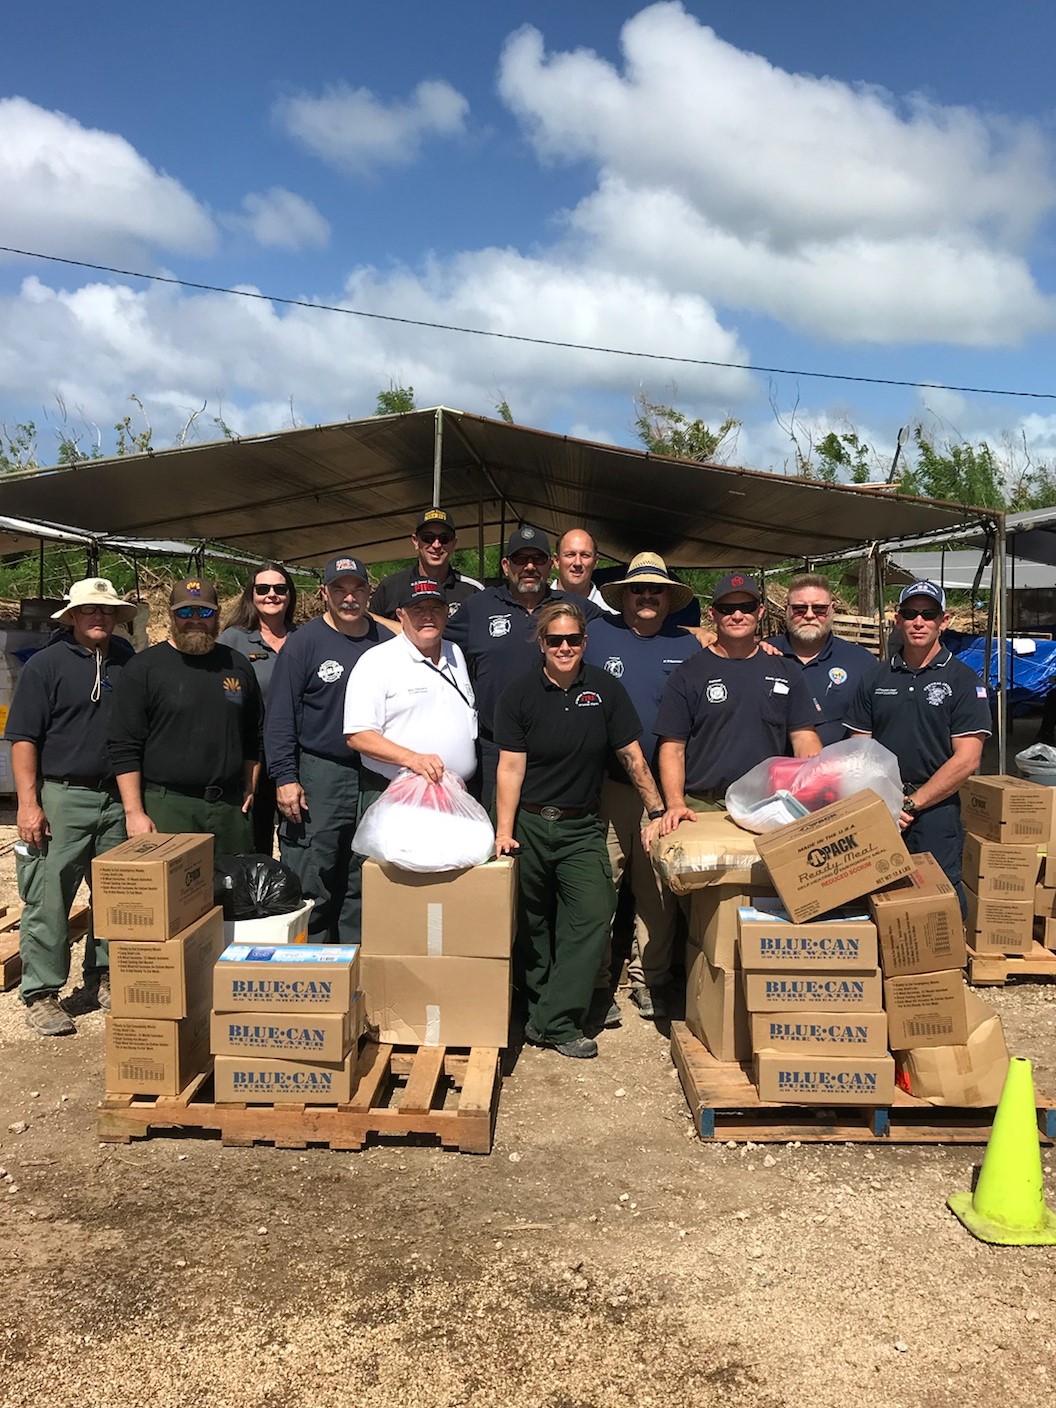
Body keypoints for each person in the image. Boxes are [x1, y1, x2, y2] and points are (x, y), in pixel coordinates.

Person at [493, 601, 671, 1060]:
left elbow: (632, 755)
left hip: (582, 827)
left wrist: (657, 811)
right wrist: (504, 830)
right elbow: (510, 767)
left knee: (593, 913)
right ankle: (542, 1008)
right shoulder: (519, 695)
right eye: (556, 640)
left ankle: (553, 1019)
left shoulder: (605, 689)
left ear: (585, 642)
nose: (565, 647)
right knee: (532, 923)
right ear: (542, 643)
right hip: (531, 824)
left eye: (573, 639)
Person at [4, 578, 136, 1036]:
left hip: (118, 797)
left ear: (117, 617)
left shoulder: (128, 662)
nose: (98, 618)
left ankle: (101, 976)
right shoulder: (46, 665)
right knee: (49, 896)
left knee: (116, 895)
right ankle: (41, 991)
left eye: (106, 611)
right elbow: (23, 738)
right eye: (89, 611)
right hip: (62, 795)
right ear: (73, 616)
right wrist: (28, 804)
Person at [585, 553, 701, 1021]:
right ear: (625, 595)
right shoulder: (598, 636)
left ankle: (648, 980)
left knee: (656, 892)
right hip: (606, 786)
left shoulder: (689, 647)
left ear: (669, 597)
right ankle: (593, 982)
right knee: (596, 887)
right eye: (638, 589)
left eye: (656, 589)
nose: (647, 596)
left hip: (666, 792)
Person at [264, 554, 394, 943]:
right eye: (340, 589)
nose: (349, 598)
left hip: (375, 771)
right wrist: (286, 777)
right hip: (322, 771)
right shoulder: (303, 644)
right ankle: (309, 968)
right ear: (324, 593)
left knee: (366, 872)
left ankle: (357, 965)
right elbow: (281, 716)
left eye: (357, 589)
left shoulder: (386, 643)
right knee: (313, 871)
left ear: (369, 593)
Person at [845, 580, 990, 903]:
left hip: (935, 809)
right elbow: (859, 748)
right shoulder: (876, 678)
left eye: (929, 614)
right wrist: (884, 802)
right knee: (876, 897)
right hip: (881, 807)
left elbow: (967, 759)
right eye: (910, 613)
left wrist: (911, 803)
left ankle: (950, 957)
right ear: (898, 619)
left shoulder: (963, 681)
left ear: (944, 620)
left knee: (939, 900)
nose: (919, 621)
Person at [446, 525, 603, 808]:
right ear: (506, 565)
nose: (529, 567)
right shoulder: (478, 606)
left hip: (556, 748)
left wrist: (696, 632)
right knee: (497, 835)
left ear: (550, 564)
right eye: (520, 559)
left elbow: (626, 628)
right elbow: (427, 637)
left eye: (538, 559)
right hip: (495, 748)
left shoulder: (574, 607)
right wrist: (372, 624)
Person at [108, 577, 262, 853]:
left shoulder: (237, 665)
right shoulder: (144, 668)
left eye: (204, 612)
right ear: (170, 614)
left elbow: (254, 734)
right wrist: (134, 812)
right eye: (185, 612)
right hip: (168, 807)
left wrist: (250, 784)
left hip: (229, 807)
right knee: (172, 894)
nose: (195, 620)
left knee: (234, 891)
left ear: (217, 615)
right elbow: (124, 746)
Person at [656, 572, 822, 814]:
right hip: (705, 805)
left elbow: (804, 738)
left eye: (746, 607)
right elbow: (672, 748)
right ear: (712, 614)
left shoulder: (787, 670)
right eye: (727, 608)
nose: (737, 615)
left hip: (769, 803)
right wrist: (676, 804)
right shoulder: (687, 673)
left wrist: (812, 792)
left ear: (760, 611)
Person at [345, 574, 477, 808]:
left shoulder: (455, 652)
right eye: (417, 609)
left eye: (435, 608)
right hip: (396, 795)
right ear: (400, 615)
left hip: (454, 797)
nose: (428, 616)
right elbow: (358, 735)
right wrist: (412, 759)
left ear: (447, 612)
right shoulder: (376, 661)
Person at [219, 562, 298, 855]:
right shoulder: (233, 640)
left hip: (292, 750)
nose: (271, 595)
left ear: (290, 595)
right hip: (251, 751)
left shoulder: (302, 639)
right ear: (251, 595)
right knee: (254, 831)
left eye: (280, 589)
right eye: (262, 589)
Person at [765, 572, 877, 745]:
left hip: (838, 770)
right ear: (787, 610)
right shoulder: (764, 656)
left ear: (832, 609)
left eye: (819, 609)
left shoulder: (861, 662)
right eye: (799, 609)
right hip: (773, 769)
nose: (809, 615)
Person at [369, 508, 483, 621]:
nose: (436, 545)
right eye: (428, 538)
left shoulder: (473, 591)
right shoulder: (390, 588)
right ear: (415, 541)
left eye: (444, 538)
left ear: (454, 543)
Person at [551, 529, 617, 613]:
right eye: (570, 555)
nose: (577, 563)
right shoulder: (536, 606)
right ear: (556, 561)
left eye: (585, 555)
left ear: (595, 562)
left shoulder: (610, 613)